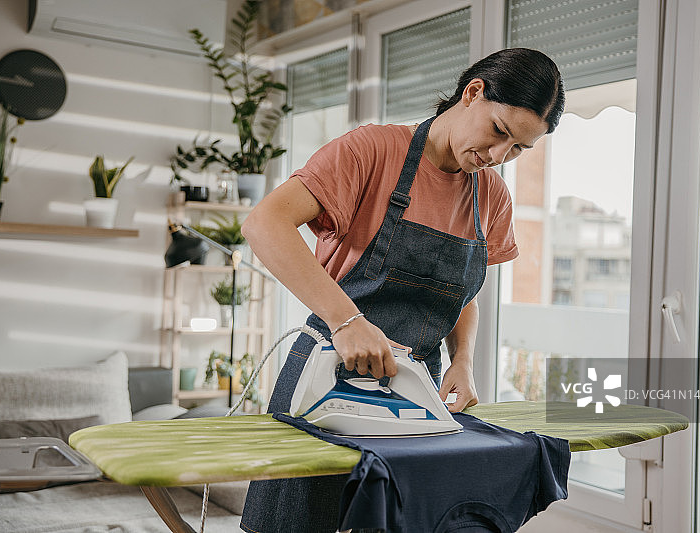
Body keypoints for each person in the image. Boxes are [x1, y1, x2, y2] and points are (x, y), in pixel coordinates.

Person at [239, 48, 565, 533]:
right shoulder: (370, 151)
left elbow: (462, 292)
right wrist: (347, 321)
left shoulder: (491, 196)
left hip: (414, 393)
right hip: (326, 376)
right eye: (499, 131)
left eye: (519, 148)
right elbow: (264, 222)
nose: (499, 156)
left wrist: (462, 360)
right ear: (473, 92)